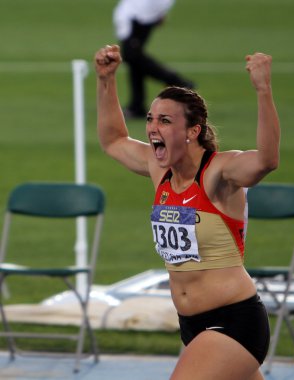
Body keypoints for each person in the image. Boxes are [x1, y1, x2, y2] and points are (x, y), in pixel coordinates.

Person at [95, 44, 280, 380]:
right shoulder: (159, 170)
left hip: (233, 322)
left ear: (193, 131)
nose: (152, 127)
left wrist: (263, 90)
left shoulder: (219, 174)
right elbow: (113, 141)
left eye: (165, 121)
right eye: (151, 119)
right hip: (192, 325)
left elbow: (266, 161)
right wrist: (106, 81)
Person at [113, 0, 194, 119]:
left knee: (132, 55)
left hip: (140, 14)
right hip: (139, 12)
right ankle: (137, 105)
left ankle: (177, 82)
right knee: (134, 57)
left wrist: (160, 11)